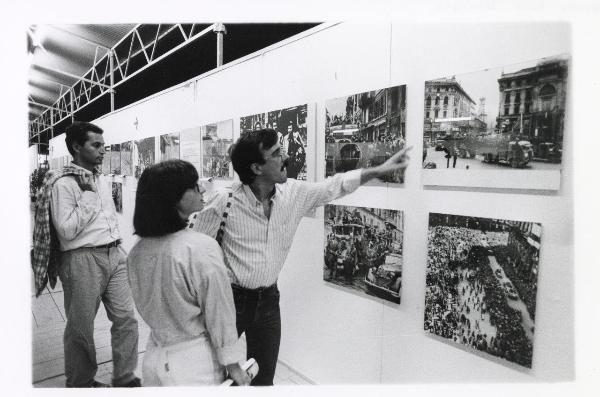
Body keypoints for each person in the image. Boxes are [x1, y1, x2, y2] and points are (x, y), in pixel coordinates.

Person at [189, 128, 411, 385]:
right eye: (275, 154)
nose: (285, 158)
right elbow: (195, 252)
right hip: (231, 301)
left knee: (263, 379)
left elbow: (332, 187)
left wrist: (374, 171)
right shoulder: (222, 201)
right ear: (257, 168)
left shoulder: (293, 193)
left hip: (269, 302)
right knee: (211, 377)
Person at [32, 121, 140, 387]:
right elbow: (66, 230)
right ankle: (81, 383)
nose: (103, 150)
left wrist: (119, 246)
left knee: (126, 319)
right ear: (77, 147)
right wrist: (89, 199)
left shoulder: (98, 177)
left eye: (103, 145)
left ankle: (125, 378)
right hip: (82, 260)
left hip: (114, 255)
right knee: (81, 328)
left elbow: (107, 218)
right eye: (96, 145)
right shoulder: (65, 183)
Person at [127, 160, 250, 386]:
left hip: (154, 357)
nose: (202, 189)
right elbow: (219, 313)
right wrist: (233, 365)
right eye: (194, 186)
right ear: (174, 198)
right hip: (193, 364)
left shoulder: (137, 251)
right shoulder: (200, 248)